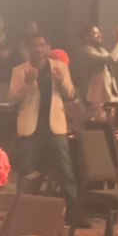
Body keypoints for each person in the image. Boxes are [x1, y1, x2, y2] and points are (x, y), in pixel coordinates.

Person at [8, 34, 77, 205]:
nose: (38, 49)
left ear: (48, 47)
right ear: (28, 48)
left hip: (56, 127)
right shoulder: (19, 70)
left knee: (65, 171)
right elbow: (11, 99)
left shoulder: (60, 67)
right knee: (27, 173)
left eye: (41, 45)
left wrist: (61, 81)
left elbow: (70, 94)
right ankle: (22, 210)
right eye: (34, 46)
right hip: (30, 128)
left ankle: (73, 211)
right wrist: (27, 83)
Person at [76, 23, 118, 124]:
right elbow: (111, 59)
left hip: (108, 97)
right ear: (86, 37)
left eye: (99, 32)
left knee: (111, 128)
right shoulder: (86, 52)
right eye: (95, 33)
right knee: (100, 128)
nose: (100, 35)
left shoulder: (101, 50)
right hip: (96, 99)